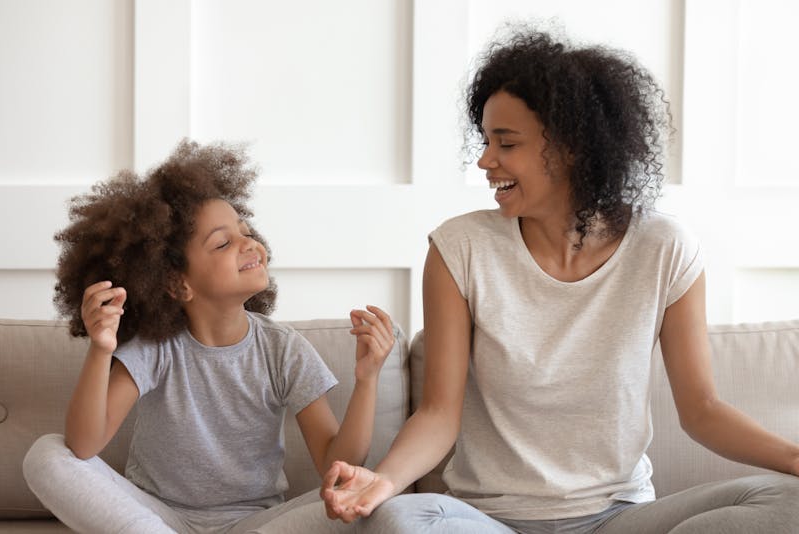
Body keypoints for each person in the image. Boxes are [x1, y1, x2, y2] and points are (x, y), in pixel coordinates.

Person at [320, 26, 799, 533]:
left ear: (573, 148)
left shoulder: (665, 249)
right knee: (400, 519)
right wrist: (384, 481)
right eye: (486, 141)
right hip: (488, 521)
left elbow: (702, 410)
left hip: (621, 518)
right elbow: (439, 414)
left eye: (506, 142)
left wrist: (794, 458)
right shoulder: (460, 249)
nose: (485, 160)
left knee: (784, 499)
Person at [22, 140, 395, 533]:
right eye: (223, 242)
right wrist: (100, 349)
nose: (250, 244)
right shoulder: (155, 350)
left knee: (365, 500)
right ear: (177, 283)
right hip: (157, 518)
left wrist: (367, 379)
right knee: (45, 454)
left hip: (256, 523)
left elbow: (336, 467)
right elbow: (83, 446)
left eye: (246, 232)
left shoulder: (284, 350)